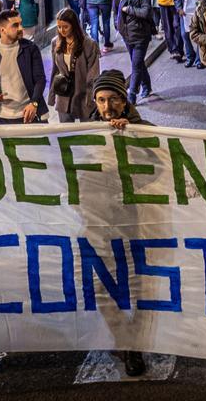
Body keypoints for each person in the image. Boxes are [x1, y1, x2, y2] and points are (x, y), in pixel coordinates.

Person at [85, 69, 150, 377]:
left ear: (124, 102)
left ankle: (133, 345)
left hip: (133, 221)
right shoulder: (84, 133)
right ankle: (121, 335)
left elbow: (161, 168)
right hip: (97, 221)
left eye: (112, 100)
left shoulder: (143, 130)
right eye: (100, 100)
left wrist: (133, 139)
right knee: (101, 285)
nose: (106, 107)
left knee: (136, 284)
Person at [0, 9, 48, 124]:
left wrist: (34, 103)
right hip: (1, 118)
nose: (21, 28)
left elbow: (40, 79)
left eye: (20, 23)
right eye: (15, 25)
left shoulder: (31, 49)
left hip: (29, 115)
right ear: (2, 30)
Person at [46, 7, 100, 122]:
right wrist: (51, 96)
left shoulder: (89, 44)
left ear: (74, 26)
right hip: (63, 94)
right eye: (59, 27)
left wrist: (91, 97)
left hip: (83, 94)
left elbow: (93, 74)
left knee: (88, 133)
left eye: (65, 27)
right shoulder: (55, 43)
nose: (62, 30)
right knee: (67, 134)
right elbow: (55, 70)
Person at [114, 0, 155, 103]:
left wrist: (128, 9)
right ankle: (147, 86)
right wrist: (117, 25)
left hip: (141, 35)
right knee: (138, 62)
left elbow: (146, 12)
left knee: (136, 65)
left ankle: (132, 95)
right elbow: (115, 12)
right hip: (126, 35)